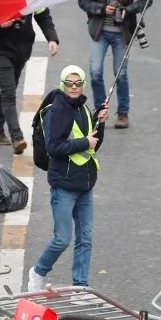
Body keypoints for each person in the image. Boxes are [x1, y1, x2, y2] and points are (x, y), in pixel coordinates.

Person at [27, 66, 109, 291]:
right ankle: (38, 271)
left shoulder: (82, 109)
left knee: (85, 239)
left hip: (85, 184)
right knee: (62, 239)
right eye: (69, 83)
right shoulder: (56, 111)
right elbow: (54, 146)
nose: (74, 87)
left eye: (78, 83)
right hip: (64, 185)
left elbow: (94, 143)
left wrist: (99, 122)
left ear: (83, 84)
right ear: (62, 85)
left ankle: (80, 287)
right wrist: (84, 142)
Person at [78, 0, 152, 129]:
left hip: (122, 33)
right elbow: (83, 1)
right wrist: (102, 8)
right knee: (95, 71)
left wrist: (129, 9)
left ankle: (123, 112)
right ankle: (100, 110)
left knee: (121, 74)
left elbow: (147, 0)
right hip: (99, 32)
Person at [0, 9, 59, 154]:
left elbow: (44, 16)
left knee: (9, 88)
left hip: (21, 51)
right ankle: (17, 137)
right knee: (8, 93)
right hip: (0, 50)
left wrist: (52, 39)